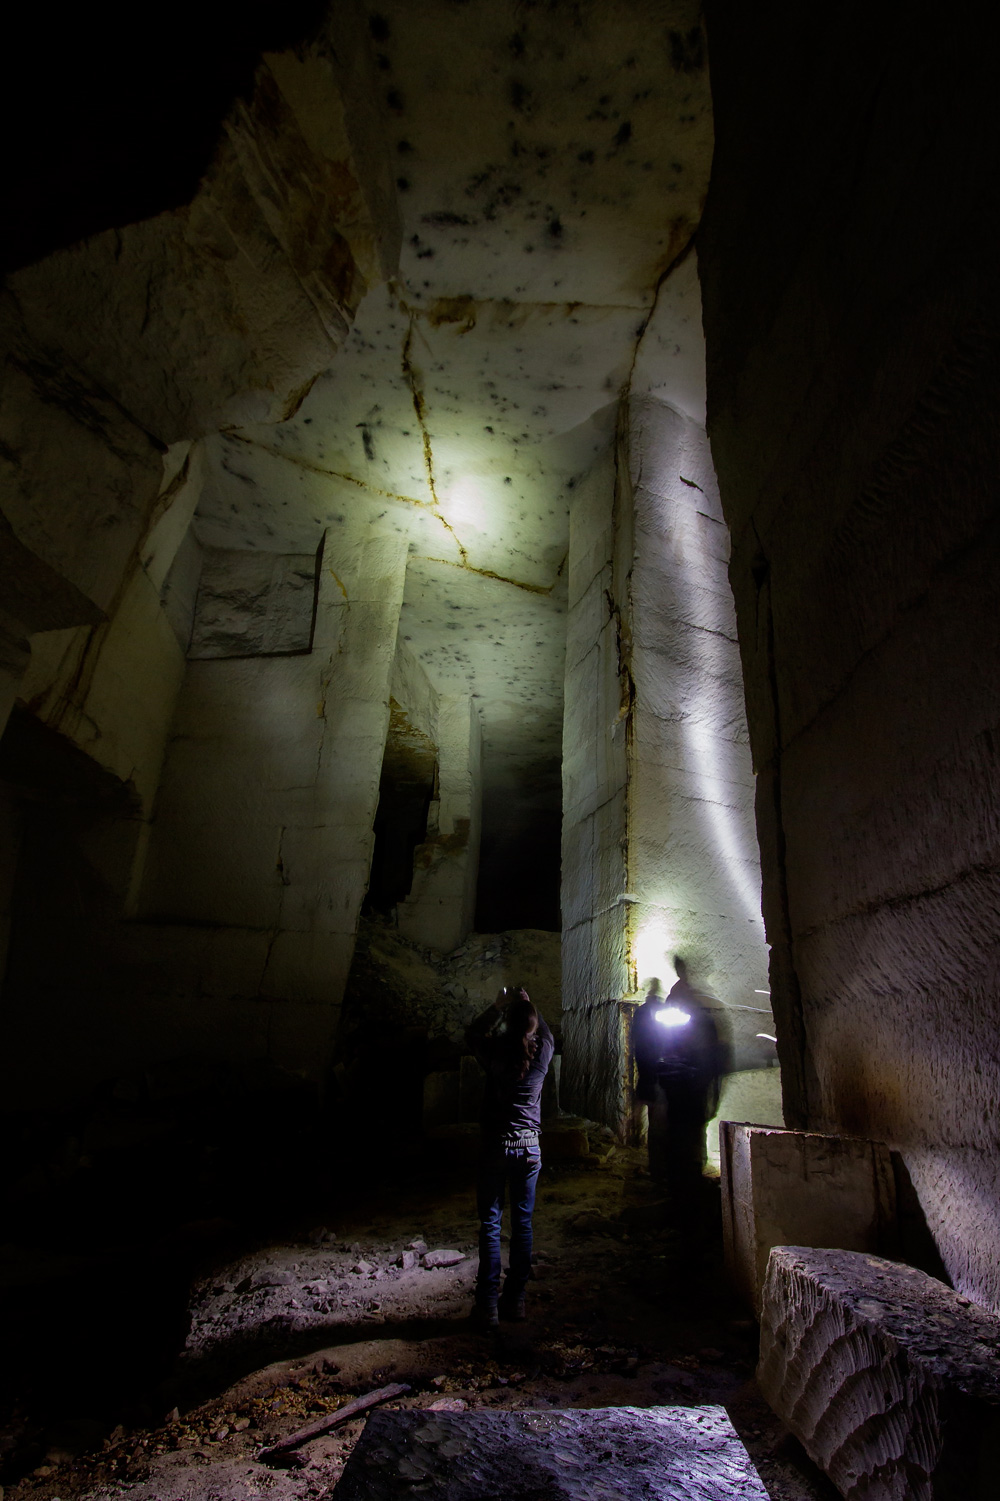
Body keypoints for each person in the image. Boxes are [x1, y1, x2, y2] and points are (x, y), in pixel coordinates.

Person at [465, 985, 554, 1329]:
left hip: (495, 1146)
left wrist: (499, 1006)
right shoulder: (543, 1053)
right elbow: (542, 1031)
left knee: (490, 1224)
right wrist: (530, 1004)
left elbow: (472, 1033)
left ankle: (487, 1304)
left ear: (506, 1024)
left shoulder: (495, 1052)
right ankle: (515, 1301)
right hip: (528, 1148)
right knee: (523, 1224)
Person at [631, 958, 723, 1199]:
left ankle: (681, 1187)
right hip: (683, 1093)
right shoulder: (693, 1014)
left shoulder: (695, 1017)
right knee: (681, 1139)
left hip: (686, 1092)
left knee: (683, 1140)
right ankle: (680, 1186)